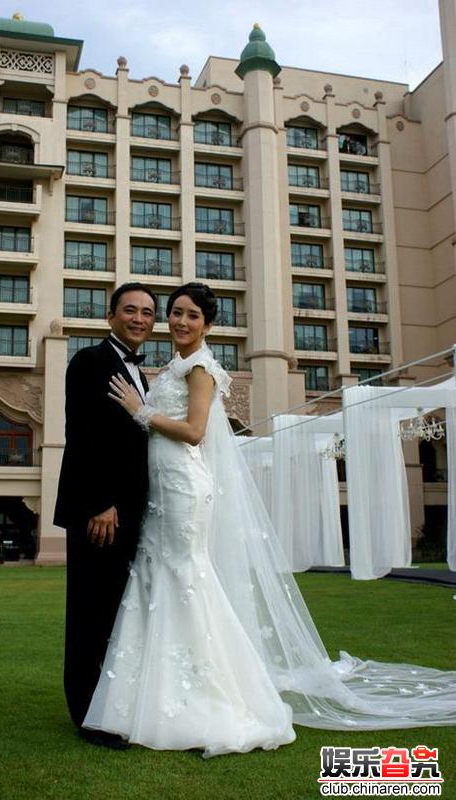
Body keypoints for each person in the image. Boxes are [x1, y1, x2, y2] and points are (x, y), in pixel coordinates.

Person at [83, 282, 456, 758]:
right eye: (175, 313)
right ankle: (151, 695)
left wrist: (142, 412)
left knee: (184, 576)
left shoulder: (201, 369)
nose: (180, 321)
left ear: (208, 325)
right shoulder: (173, 366)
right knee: (159, 578)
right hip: (160, 488)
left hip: (182, 487)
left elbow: (195, 432)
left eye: (192, 315)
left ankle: (210, 698)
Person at [54, 282, 157, 749]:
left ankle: (111, 704)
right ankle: (88, 716)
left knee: (117, 613)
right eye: (130, 310)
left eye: (147, 312)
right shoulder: (89, 361)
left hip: (131, 513)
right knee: (90, 613)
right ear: (110, 316)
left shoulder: (140, 376)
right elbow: (83, 434)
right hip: (100, 513)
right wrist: (99, 502)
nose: (139, 318)